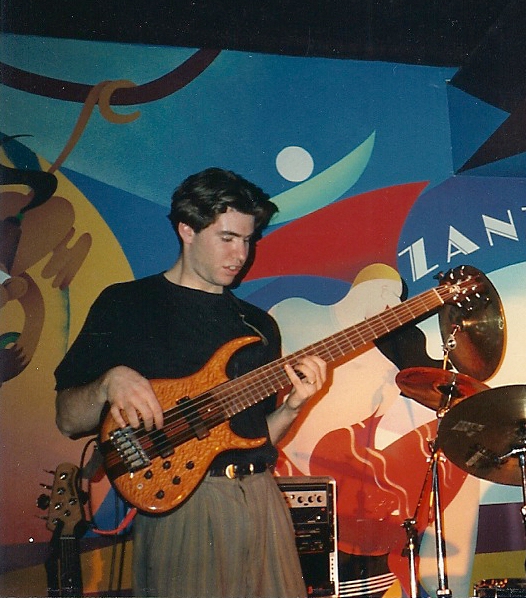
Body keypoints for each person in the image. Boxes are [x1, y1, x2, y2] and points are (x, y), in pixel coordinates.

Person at [54, 167, 328, 598]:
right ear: (186, 229)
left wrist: (294, 406)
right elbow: (68, 419)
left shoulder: (258, 327)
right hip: (184, 505)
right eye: (227, 238)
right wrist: (111, 381)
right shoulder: (127, 303)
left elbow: (256, 439)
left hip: (261, 497)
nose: (241, 254)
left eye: (248, 240)